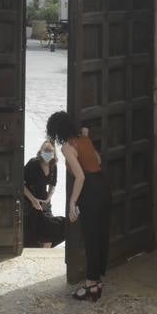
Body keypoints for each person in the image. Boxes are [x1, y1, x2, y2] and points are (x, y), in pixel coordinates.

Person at [47, 110, 109, 301]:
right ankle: (97, 281)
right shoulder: (84, 139)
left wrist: (72, 202)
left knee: (90, 238)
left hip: (89, 190)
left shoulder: (67, 147)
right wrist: (87, 139)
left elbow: (80, 176)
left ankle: (91, 285)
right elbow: (97, 160)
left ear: (56, 131)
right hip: (103, 187)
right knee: (100, 235)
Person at [23, 140, 65, 248]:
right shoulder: (33, 163)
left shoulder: (53, 166)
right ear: (41, 152)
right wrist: (33, 200)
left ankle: (46, 247)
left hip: (44, 202)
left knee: (57, 226)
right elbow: (21, 184)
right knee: (33, 230)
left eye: (50, 153)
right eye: (45, 152)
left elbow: (52, 185)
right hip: (30, 201)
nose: (48, 155)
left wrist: (49, 197)